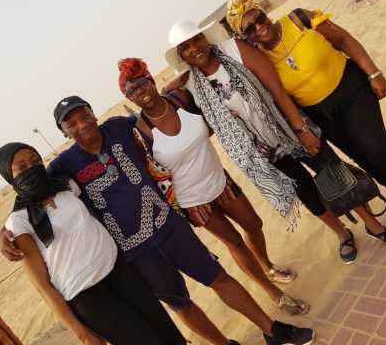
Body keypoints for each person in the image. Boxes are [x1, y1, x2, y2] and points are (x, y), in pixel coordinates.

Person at [0, 97, 315, 345]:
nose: (81, 125)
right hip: (136, 254)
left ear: (93, 113)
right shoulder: (64, 165)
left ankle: (271, 330)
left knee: (218, 277)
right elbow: (30, 189)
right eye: (71, 123)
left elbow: (155, 112)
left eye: (84, 116)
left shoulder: (118, 127)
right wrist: (3, 231)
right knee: (181, 305)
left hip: (169, 227)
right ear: (64, 132)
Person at [164, 18, 386, 264]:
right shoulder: (191, 85)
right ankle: (342, 234)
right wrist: (170, 86)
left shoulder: (234, 49)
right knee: (305, 190)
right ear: (181, 55)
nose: (194, 48)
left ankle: (373, 225)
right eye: (185, 47)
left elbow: (277, 90)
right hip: (263, 149)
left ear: (204, 38)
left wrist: (301, 129)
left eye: (196, 39)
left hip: (289, 127)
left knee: (333, 172)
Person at [0, 142, 200, 345]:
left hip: (120, 273)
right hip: (89, 299)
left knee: (168, 342)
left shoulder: (66, 186)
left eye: (35, 161)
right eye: (21, 167)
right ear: (9, 178)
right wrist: (82, 334)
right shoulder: (19, 221)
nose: (31, 168)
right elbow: (43, 286)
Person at [118, 57, 308, 316]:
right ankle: (273, 292)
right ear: (128, 98)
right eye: (131, 90)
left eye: (141, 83)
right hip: (193, 201)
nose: (139, 91)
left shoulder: (180, 99)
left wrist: (171, 85)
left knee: (254, 224)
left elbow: (199, 80)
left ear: (150, 80)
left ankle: (267, 266)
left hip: (220, 179)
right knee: (235, 242)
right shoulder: (140, 133)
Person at [226, 0, 386, 246]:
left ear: (264, 12)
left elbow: (343, 39)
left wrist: (373, 72)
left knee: (375, 147)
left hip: (351, 89)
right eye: (249, 29)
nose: (259, 27)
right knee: (362, 158)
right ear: (244, 36)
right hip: (321, 114)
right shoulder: (260, 59)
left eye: (259, 18)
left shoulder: (298, 19)